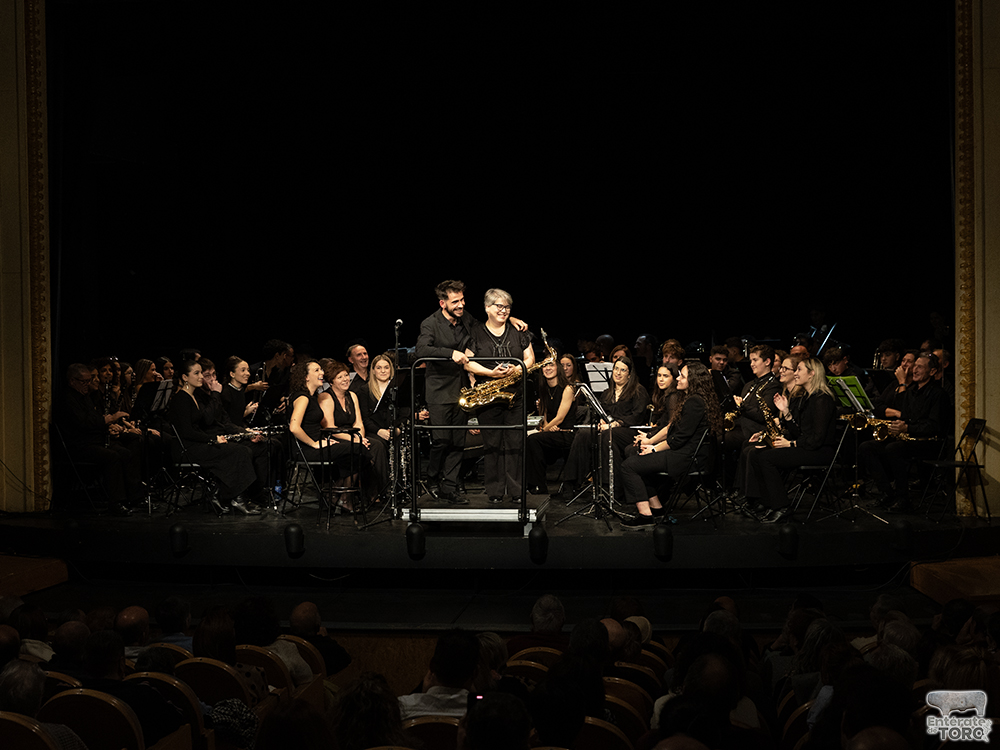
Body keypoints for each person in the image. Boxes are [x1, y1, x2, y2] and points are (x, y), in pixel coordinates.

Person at [415, 279, 526, 505]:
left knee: (457, 442)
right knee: (441, 440)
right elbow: (421, 350)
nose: (461, 304)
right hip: (439, 392)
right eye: (455, 301)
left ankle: (450, 488)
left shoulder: (465, 318)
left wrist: (511, 318)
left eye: (463, 300)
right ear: (442, 303)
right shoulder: (430, 323)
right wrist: (450, 353)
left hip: (462, 390)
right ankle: (432, 479)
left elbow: (488, 320)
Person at [619, 362, 723, 529]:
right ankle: (657, 510)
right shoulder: (691, 399)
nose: (678, 378)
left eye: (682, 375)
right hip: (684, 453)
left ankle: (645, 516)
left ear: (694, 380)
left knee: (628, 466)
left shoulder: (695, 402)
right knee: (635, 457)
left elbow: (680, 438)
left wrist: (653, 449)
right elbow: (674, 430)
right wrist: (651, 443)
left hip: (686, 457)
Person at [745, 356, 837, 523]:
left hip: (820, 451)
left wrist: (792, 444)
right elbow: (799, 431)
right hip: (807, 447)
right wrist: (786, 412)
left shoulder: (822, 398)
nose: (796, 373)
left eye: (799, 370)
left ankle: (782, 506)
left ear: (812, 374)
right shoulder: (807, 398)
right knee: (757, 455)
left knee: (766, 458)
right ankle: (769, 504)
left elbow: (817, 438)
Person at [464, 288, 534, 503]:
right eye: (499, 306)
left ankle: (516, 492)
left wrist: (519, 369)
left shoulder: (519, 330)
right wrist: (490, 373)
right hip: (488, 396)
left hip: (516, 395)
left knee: (515, 442)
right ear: (487, 308)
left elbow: (529, 357)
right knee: (492, 444)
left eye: (507, 307)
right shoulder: (475, 332)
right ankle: (494, 492)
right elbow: (468, 362)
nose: (504, 311)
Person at [167, 359, 263, 515]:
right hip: (187, 449)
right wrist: (212, 439)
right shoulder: (181, 398)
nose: (201, 377)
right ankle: (234, 498)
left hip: (197, 444)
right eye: (196, 373)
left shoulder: (190, 396)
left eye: (201, 373)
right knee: (239, 452)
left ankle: (222, 494)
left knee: (240, 451)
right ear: (185, 377)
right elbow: (187, 432)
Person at [858, 351, 945, 512]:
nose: (915, 370)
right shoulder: (912, 392)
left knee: (893, 449)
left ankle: (903, 498)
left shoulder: (938, 394)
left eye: (920, 367)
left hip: (928, 442)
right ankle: (887, 492)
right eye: (915, 366)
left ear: (932, 372)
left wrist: (908, 428)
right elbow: (904, 414)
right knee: (867, 447)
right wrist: (898, 426)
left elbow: (934, 426)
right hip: (908, 437)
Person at [55, 362, 142, 514]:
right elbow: (82, 423)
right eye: (84, 382)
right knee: (112, 457)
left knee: (126, 453)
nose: (88, 385)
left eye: (89, 381)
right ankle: (116, 503)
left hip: (94, 440)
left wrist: (108, 427)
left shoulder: (85, 396)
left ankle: (135, 498)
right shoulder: (67, 399)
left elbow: (94, 418)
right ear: (72, 381)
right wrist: (106, 421)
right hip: (80, 445)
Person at [562, 356, 650, 498]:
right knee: (584, 433)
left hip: (629, 430)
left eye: (623, 370)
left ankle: (608, 486)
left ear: (629, 374)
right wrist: (601, 422)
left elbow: (637, 416)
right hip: (608, 429)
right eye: (616, 369)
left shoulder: (638, 391)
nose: (618, 373)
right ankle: (571, 482)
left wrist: (617, 423)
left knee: (606, 436)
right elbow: (601, 413)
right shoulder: (607, 393)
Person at [319, 360, 388, 502]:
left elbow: (359, 423)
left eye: (346, 375)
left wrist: (361, 438)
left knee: (377, 445)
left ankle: (378, 492)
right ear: (331, 381)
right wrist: (356, 440)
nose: (345, 379)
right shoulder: (326, 397)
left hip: (354, 436)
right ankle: (346, 494)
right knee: (358, 449)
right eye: (340, 377)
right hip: (335, 437)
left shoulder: (352, 395)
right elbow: (329, 428)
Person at [526, 354, 579, 494]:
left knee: (533, 439)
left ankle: (538, 486)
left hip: (566, 432)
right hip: (552, 432)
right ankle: (532, 484)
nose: (547, 368)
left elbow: (560, 418)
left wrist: (544, 431)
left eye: (551, 365)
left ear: (558, 368)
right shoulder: (543, 389)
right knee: (526, 439)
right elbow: (544, 417)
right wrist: (547, 428)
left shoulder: (568, 388)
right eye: (544, 365)